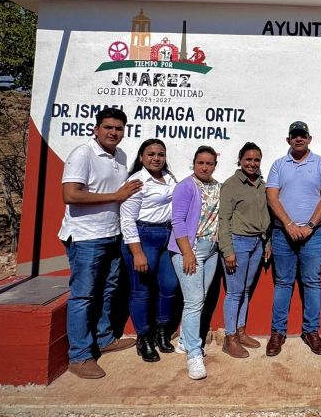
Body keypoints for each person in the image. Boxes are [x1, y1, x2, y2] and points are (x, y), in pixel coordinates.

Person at [58, 107, 141, 379]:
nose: (113, 132)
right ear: (96, 128)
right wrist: (115, 196)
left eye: (118, 128)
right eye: (108, 127)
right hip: (85, 237)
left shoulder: (121, 156)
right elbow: (70, 195)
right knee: (83, 295)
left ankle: (104, 339)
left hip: (111, 234)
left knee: (108, 290)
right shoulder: (83, 153)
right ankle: (80, 356)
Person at [265, 121, 321, 357]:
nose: (298, 139)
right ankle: (278, 332)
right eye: (294, 135)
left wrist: (311, 226)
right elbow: (272, 197)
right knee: (283, 283)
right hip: (283, 234)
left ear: (309, 138)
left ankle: (311, 331)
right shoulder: (278, 165)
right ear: (288, 140)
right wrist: (289, 224)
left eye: (302, 135)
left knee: (312, 282)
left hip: (313, 235)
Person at [120, 138, 179, 362]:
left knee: (169, 286)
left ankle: (161, 329)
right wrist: (137, 252)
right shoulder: (137, 181)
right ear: (142, 157)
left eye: (160, 154)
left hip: (167, 237)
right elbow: (126, 219)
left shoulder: (169, 177)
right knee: (141, 291)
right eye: (151, 154)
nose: (156, 158)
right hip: (143, 237)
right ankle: (143, 337)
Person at [170, 146, 222, 380]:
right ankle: (193, 353)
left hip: (211, 250)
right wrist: (187, 252)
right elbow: (178, 221)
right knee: (194, 302)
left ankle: (183, 340)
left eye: (209, 163)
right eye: (200, 162)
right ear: (194, 163)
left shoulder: (216, 186)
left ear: (214, 165)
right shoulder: (186, 186)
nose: (204, 167)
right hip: (190, 249)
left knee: (199, 298)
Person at [218, 142, 272, 359]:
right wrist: (227, 250)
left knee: (245, 290)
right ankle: (229, 338)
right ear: (240, 160)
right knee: (234, 292)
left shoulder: (261, 183)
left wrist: (266, 242)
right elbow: (223, 219)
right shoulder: (231, 185)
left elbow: (264, 216)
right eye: (248, 159)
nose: (252, 163)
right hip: (237, 243)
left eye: (256, 160)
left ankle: (241, 331)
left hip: (257, 243)